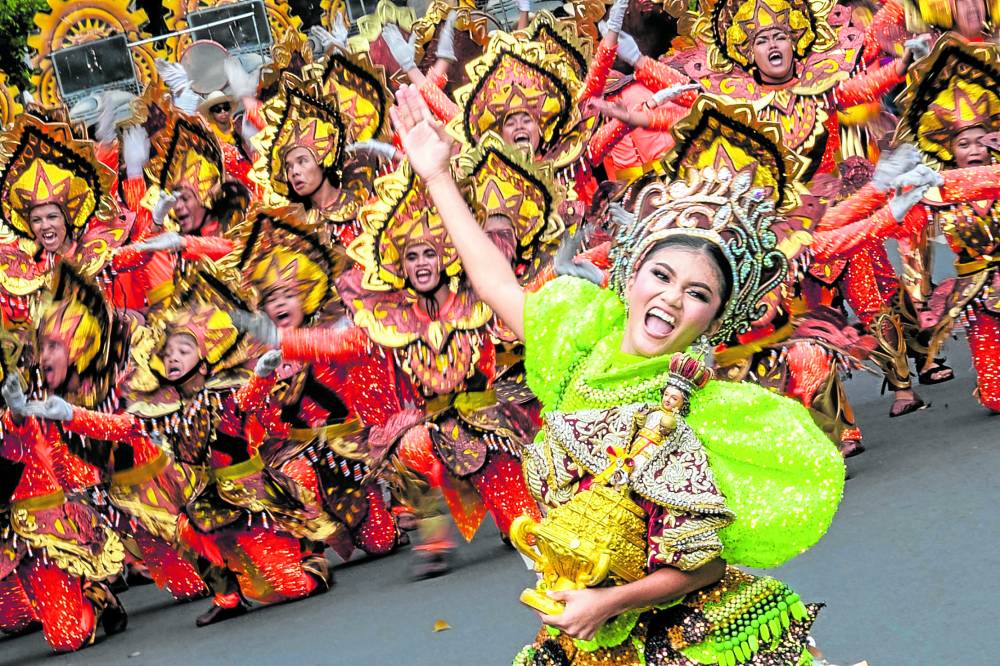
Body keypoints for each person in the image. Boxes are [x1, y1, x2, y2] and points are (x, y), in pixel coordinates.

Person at [390, 84, 844, 665]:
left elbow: (703, 564)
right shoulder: (580, 345)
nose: (672, 300)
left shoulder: (692, 406)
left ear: (715, 317)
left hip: (680, 639)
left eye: (698, 292)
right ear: (630, 277)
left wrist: (611, 603)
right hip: (580, 625)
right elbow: (497, 284)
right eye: (661, 275)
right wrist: (437, 177)